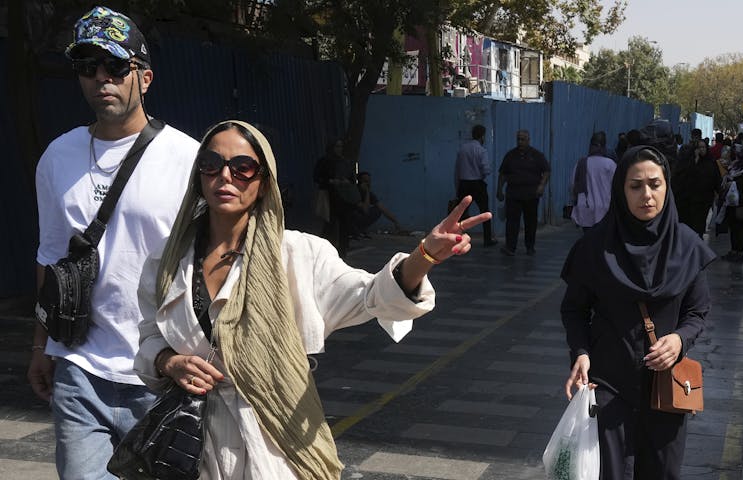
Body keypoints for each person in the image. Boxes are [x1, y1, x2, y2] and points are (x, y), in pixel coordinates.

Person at [133, 120, 491, 479]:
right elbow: (149, 337)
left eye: (243, 168)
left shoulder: (298, 255)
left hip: (276, 442)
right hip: (190, 445)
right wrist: (169, 362)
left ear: (263, 184)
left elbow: (371, 295)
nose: (225, 176)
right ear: (199, 176)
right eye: (211, 164)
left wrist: (424, 255)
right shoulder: (167, 263)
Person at [27, 6, 199, 479]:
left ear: (144, 77)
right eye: (87, 67)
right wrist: (41, 346)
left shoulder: (187, 160)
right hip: (79, 369)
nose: (101, 78)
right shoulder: (58, 157)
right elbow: (51, 259)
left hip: (162, 372)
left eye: (115, 67)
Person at [560, 145, 715, 479]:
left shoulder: (687, 246)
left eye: (655, 184)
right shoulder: (595, 248)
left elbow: (698, 312)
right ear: (621, 190)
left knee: (662, 471)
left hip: (667, 390)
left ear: (666, 187)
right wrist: (581, 352)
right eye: (635, 185)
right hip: (608, 387)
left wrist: (679, 340)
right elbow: (574, 310)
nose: (646, 194)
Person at [497, 129, 550, 255]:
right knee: (512, 222)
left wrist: (542, 186)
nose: (520, 142)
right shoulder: (510, 155)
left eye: (523, 139)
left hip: (531, 194)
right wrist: (499, 190)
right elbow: (503, 174)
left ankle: (530, 247)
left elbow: (546, 171)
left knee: (530, 222)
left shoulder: (537, 155)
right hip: (513, 194)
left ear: (528, 140)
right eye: (518, 139)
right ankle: (510, 247)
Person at [313, 138, 358, 257]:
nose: (339, 149)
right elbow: (317, 177)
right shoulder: (324, 161)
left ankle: (342, 251)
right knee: (329, 224)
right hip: (330, 196)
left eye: (341, 146)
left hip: (343, 197)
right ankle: (323, 251)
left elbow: (352, 178)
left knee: (344, 225)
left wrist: (345, 181)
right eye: (337, 146)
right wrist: (331, 181)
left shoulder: (344, 162)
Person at [454, 124, 497, 246]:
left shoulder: (462, 149)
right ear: (482, 136)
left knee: (460, 213)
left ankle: (457, 238)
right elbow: (486, 169)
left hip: (463, 184)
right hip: (477, 184)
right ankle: (487, 239)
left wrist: (457, 187)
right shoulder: (481, 150)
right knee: (484, 212)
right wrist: (482, 175)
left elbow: (457, 170)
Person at [672, 138, 721, 237]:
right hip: (691, 199)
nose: (701, 150)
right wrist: (695, 161)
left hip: (705, 199)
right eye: (699, 148)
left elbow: (716, 178)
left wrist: (718, 193)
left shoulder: (711, 162)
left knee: (700, 223)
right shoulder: (690, 162)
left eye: (703, 147)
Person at [570, 131, 617, 231]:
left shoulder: (581, 163)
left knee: (588, 242)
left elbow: (573, 186)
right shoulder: (610, 164)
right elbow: (617, 187)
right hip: (605, 210)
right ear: (604, 146)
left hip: (585, 209)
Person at [719, 144, 743, 263]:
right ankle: (733, 251)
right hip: (732, 204)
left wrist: (733, 184)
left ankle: (739, 253)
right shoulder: (733, 166)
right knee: (733, 228)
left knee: (741, 230)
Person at [349, 171, 402, 237]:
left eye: (369, 181)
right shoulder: (355, 192)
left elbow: (382, 208)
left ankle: (360, 229)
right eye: (365, 181)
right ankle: (354, 230)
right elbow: (365, 210)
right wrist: (367, 193)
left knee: (377, 210)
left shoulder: (370, 194)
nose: (368, 183)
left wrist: (395, 221)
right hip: (351, 220)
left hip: (359, 216)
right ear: (360, 182)